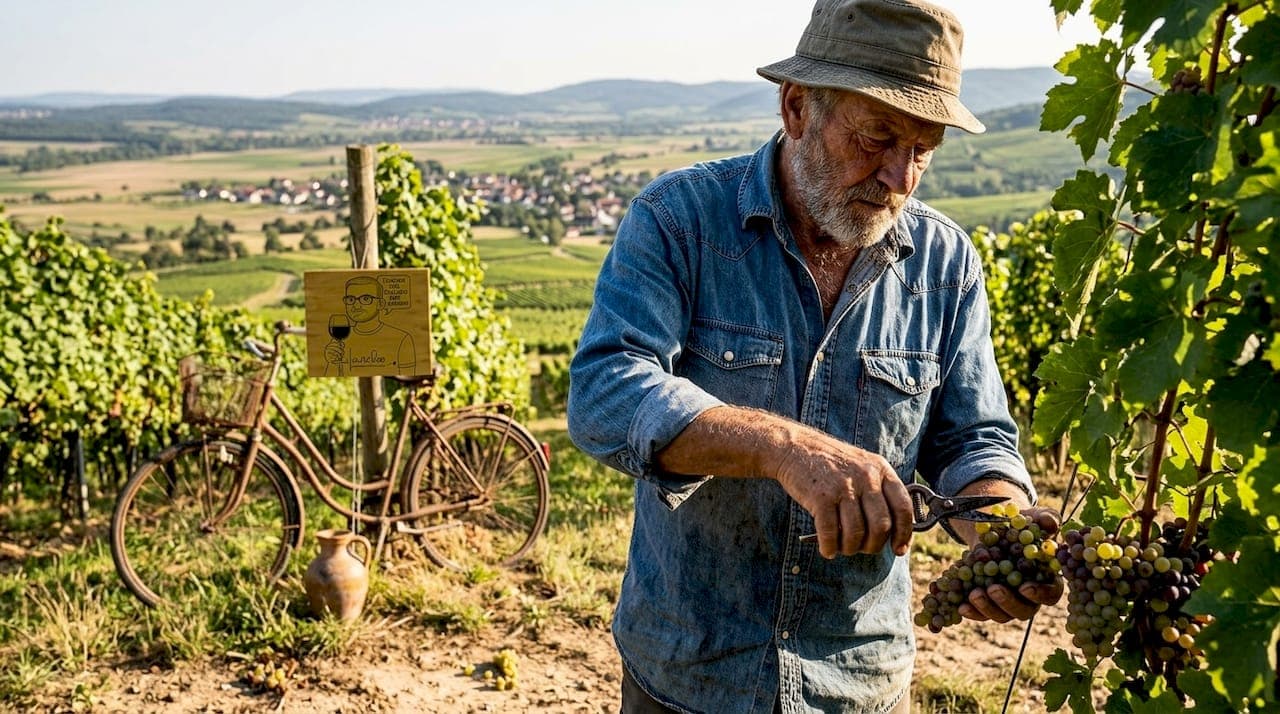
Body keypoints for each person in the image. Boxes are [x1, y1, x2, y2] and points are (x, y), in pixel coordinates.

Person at [566, 0, 1063, 711]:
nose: (899, 176)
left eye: (923, 150)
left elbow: (973, 439)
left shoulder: (947, 263)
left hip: (857, 681)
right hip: (689, 670)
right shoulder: (679, 220)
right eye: (877, 137)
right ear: (797, 108)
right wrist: (779, 447)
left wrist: (1000, 524)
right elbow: (605, 394)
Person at [324, 276, 417, 377]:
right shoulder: (341, 341)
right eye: (351, 299)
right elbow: (331, 375)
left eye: (366, 299)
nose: (356, 305)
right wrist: (331, 361)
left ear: (380, 304)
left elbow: (409, 377)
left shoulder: (402, 339)